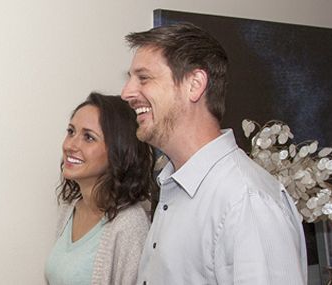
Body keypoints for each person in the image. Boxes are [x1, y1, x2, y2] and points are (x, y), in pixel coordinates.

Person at [121, 23, 305, 284]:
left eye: (144, 78)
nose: (126, 93)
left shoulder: (246, 202)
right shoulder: (175, 186)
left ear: (194, 84)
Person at [45, 93, 156, 285]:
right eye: (71, 131)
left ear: (118, 150)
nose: (70, 145)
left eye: (88, 137)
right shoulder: (70, 208)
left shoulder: (130, 225)